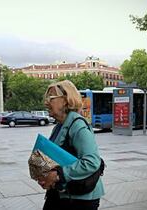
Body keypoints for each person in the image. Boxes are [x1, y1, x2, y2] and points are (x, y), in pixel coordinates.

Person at [38, 80, 104, 210]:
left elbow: (92, 162)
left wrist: (57, 175)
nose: (46, 102)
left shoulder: (77, 125)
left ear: (65, 100)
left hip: (80, 199)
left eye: (51, 98)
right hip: (62, 193)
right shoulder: (59, 125)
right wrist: (46, 175)